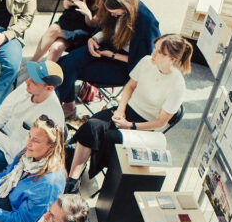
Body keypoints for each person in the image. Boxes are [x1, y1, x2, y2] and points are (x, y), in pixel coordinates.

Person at [65, 34, 191, 191]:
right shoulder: (146, 61)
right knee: (91, 125)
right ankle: (72, 180)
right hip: (126, 109)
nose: (153, 53)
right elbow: (130, 86)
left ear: (171, 59)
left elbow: (160, 123)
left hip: (144, 126)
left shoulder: (177, 85)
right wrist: (120, 109)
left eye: (159, 52)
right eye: (155, 48)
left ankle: (83, 169)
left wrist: (130, 125)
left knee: (109, 137)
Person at [56, 0, 161, 118]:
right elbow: (107, 29)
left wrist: (113, 55)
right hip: (107, 48)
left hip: (125, 66)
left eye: (114, 12)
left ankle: (60, 105)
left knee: (67, 69)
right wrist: (93, 39)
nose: (112, 15)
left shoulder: (146, 22)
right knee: (64, 62)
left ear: (125, 7)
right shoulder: (115, 12)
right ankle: (68, 105)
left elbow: (144, 60)